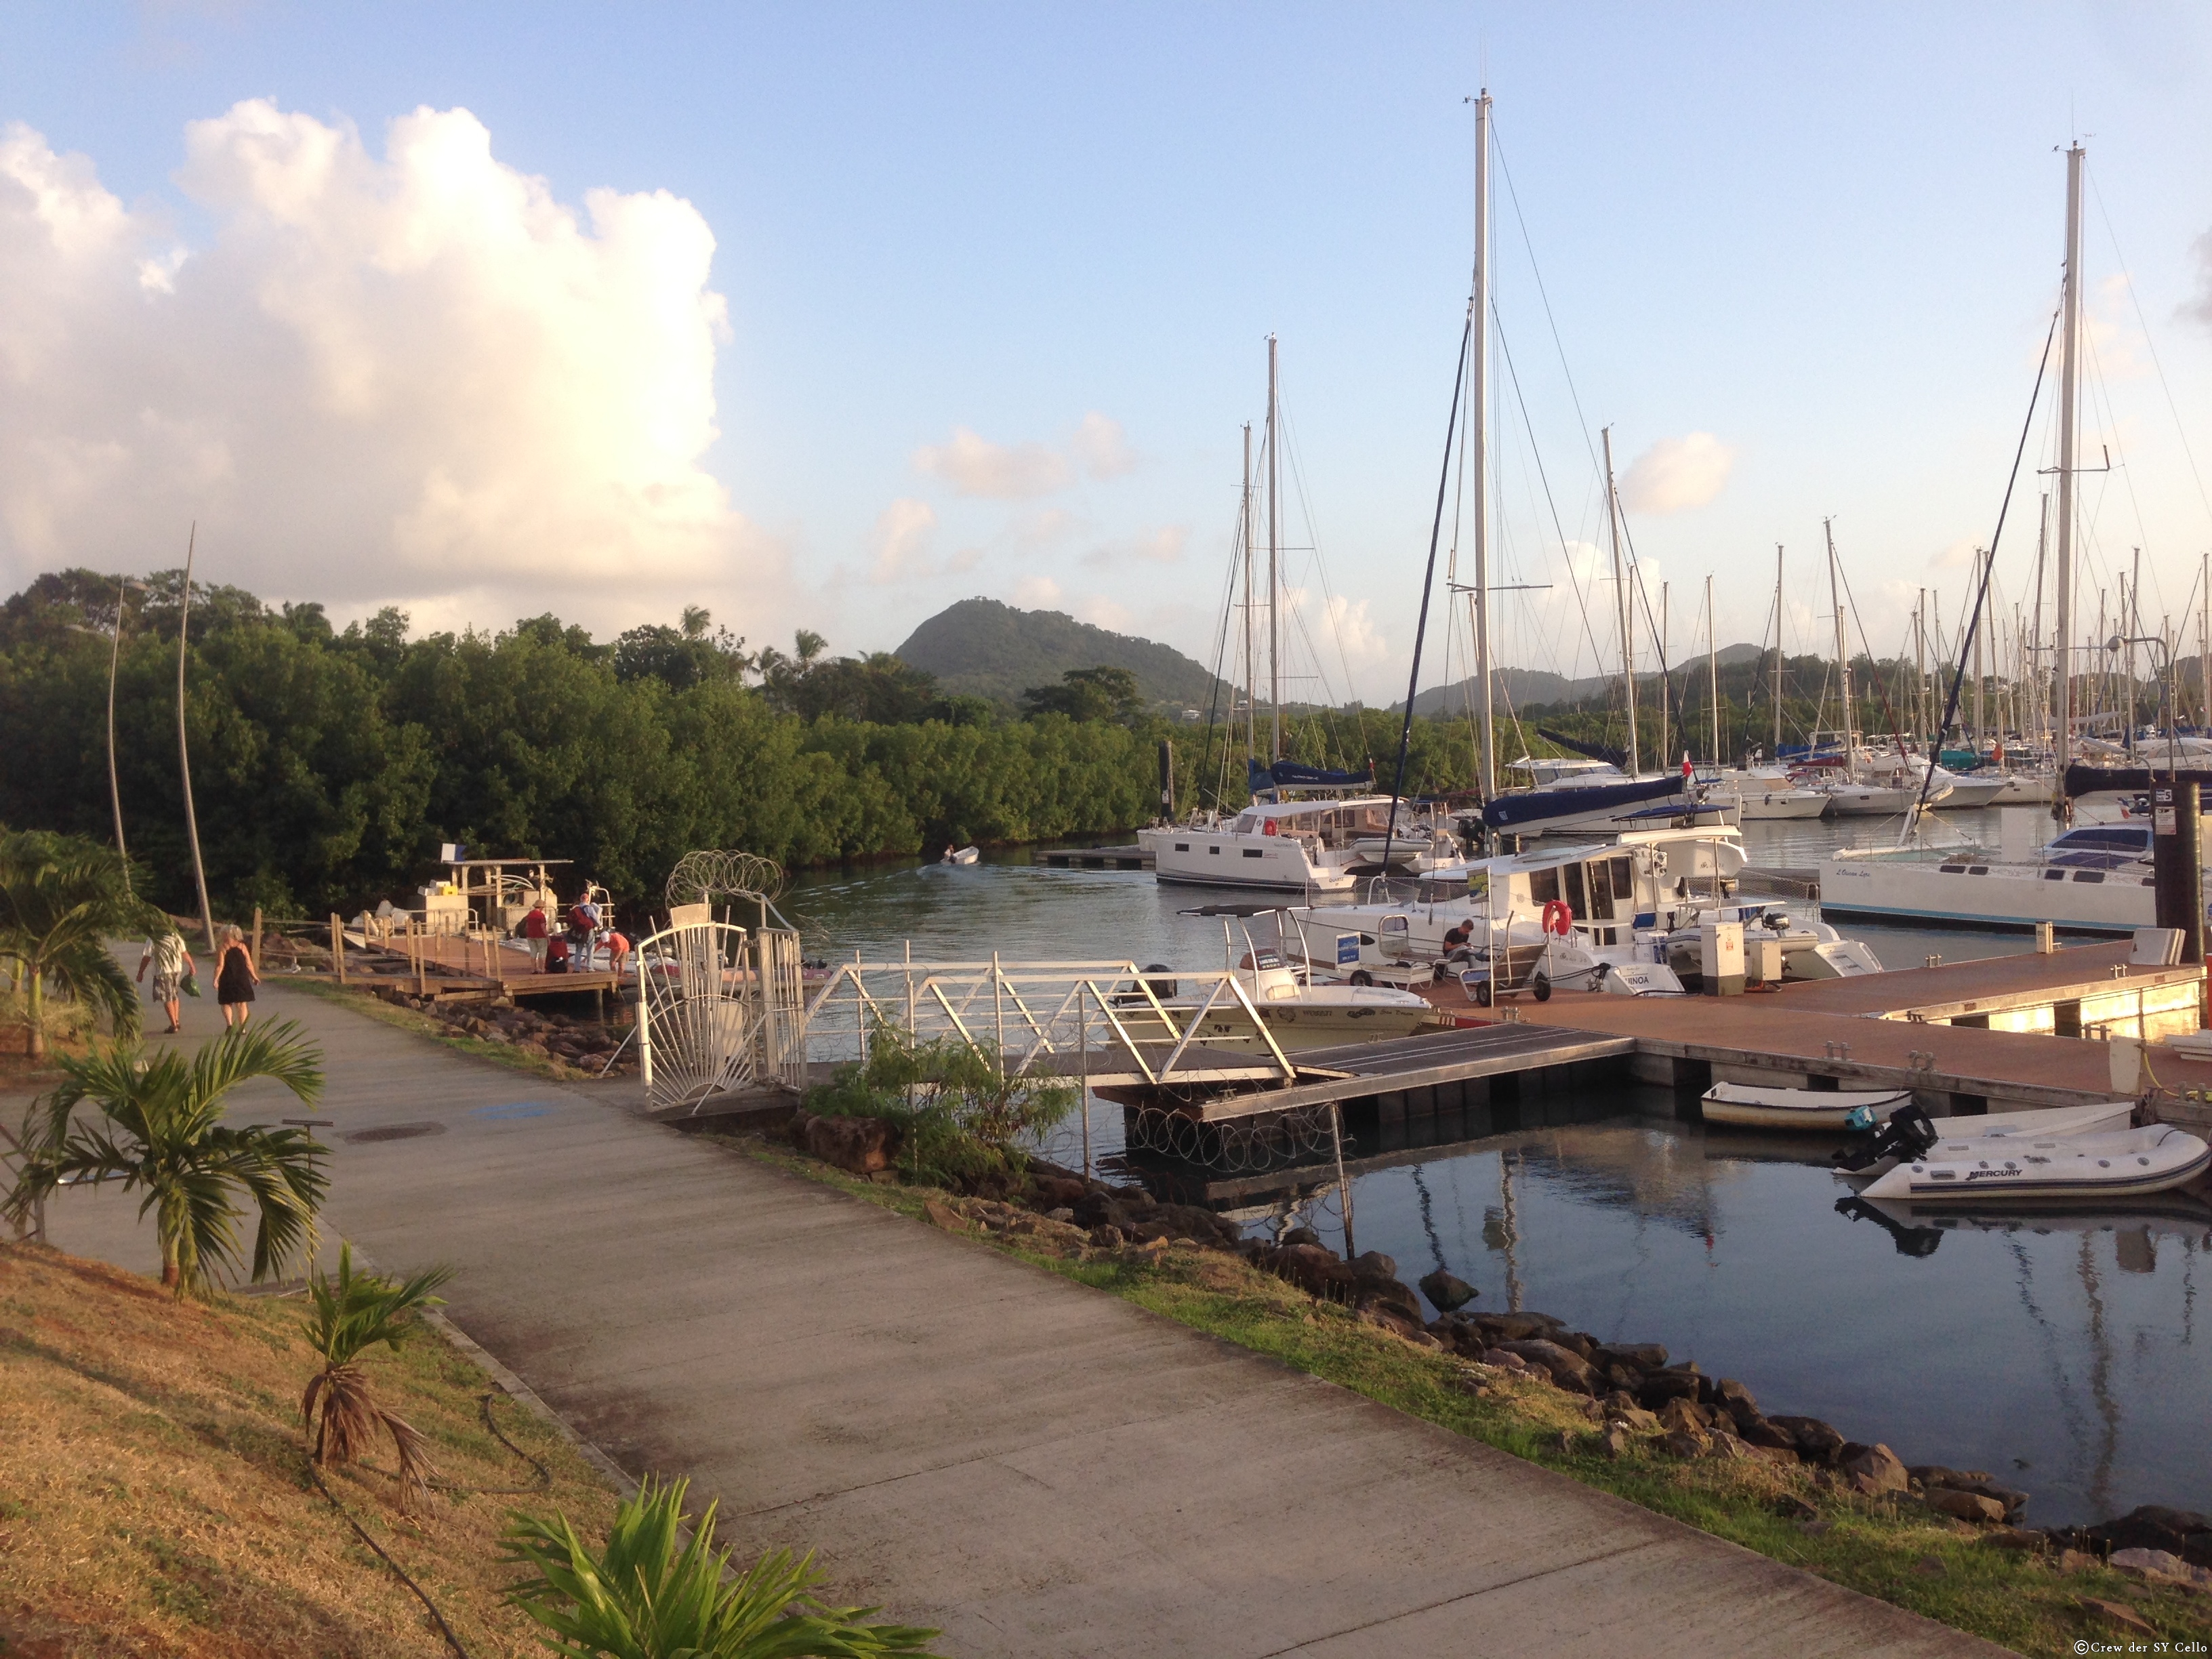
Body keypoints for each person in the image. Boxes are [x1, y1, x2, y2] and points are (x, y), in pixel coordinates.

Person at [136, 927, 195, 1035]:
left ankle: (174, 1025)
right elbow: (184, 952)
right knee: (174, 995)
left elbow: (147, 957)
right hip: (177, 969)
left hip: (163, 970)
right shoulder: (175, 935)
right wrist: (191, 966)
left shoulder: (153, 938)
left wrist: (141, 972)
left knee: (166, 997)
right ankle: (176, 1021)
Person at [213, 924, 259, 1028]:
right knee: (242, 1003)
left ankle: (229, 1024)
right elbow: (249, 963)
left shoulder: (223, 947)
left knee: (226, 1002)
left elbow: (220, 965)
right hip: (241, 977)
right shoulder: (242, 947)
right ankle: (242, 1027)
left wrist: (216, 979)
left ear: (227, 935)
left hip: (227, 978)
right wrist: (254, 976)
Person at [521, 899, 549, 968]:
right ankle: (542, 968)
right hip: (540, 936)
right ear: (541, 907)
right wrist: (548, 937)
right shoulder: (541, 916)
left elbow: (527, 926)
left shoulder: (530, 914)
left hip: (530, 935)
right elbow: (543, 928)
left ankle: (533, 969)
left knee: (533, 952)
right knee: (542, 952)